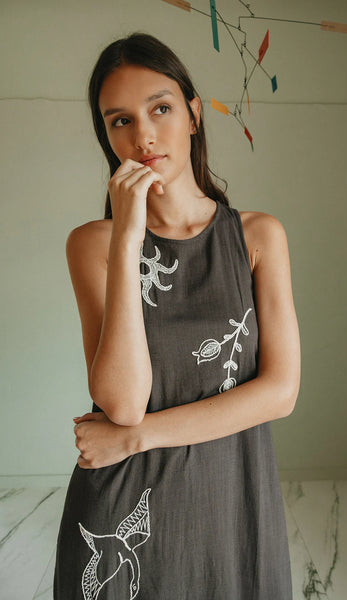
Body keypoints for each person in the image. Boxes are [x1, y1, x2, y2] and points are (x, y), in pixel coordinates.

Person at [53, 31, 301, 600]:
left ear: (193, 114)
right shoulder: (92, 244)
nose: (142, 135)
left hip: (233, 503)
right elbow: (122, 403)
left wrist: (133, 439)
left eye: (159, 109)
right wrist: (128, 237)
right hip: (124, 519)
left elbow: (280, 393)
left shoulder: (258, 237)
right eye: (120, 120)